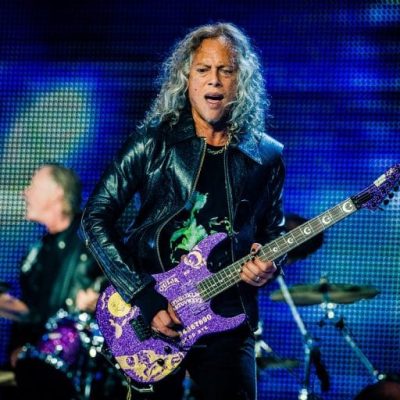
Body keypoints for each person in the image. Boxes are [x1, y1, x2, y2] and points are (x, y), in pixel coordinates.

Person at [80, 22, 286, 400]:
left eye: (226, 70)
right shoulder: (153, 142)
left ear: (241, 80)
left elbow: (273, 231)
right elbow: (94, 217)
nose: (215, 80)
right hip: (156, 316)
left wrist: (271, 263)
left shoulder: (266, 155)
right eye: (203, 69)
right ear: (187, 78)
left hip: (228, 317)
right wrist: (144, 296)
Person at [7, 164, 122, 400]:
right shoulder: (36, 253)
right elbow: (33, 312)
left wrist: (102, 298)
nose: (24, 193)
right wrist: (17, 345)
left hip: (87, 371)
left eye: (33, 186)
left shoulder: (92, 236)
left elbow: (127, 280)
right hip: (42, 365)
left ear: (57, 192)